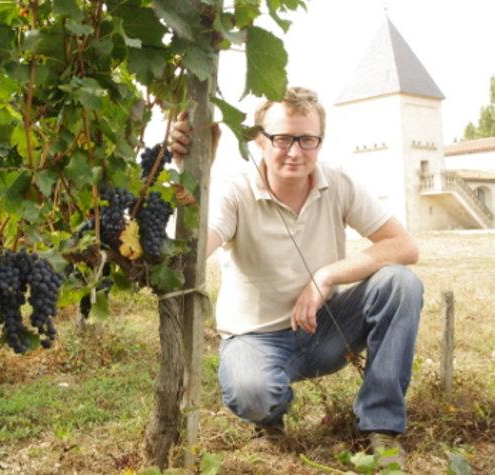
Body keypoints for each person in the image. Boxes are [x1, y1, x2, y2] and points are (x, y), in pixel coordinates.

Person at [169, 87, 423, 468]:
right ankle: (271, 417)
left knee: (401, 284)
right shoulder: (235, 192)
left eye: (307, 139)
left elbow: (404, 246)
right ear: (258, 139)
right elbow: (192, 253)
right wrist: (192, 174)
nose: (295, 151)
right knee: (254, 395)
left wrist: (326, 276)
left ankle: (381, 427)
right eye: (282, 138)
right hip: (255, 338)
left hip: (325, 327)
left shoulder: (337, 183)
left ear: (320, 140)